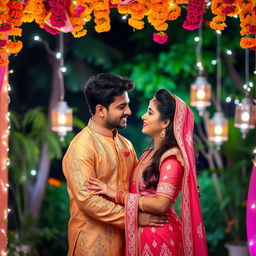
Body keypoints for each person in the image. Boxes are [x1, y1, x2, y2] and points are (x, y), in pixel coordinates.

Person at [88, 89, 208, 256]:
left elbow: (161, 204)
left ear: (165, 122)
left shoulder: (171, 158)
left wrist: (116, 194)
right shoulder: (148, 154)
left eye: (150, 112)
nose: (143, 116)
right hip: (142, 235)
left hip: (161, 237)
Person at [62, 74, 170, 256]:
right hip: (92, 244)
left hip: (128, 243)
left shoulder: (125, 144)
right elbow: (88, 200)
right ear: (100, 110)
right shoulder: (82, 147)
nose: (128, 111)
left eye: (127, 104)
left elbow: (141, 185)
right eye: (121, 106)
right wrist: (135, 218)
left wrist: (180, 185)